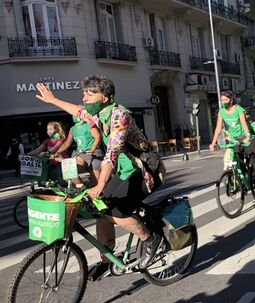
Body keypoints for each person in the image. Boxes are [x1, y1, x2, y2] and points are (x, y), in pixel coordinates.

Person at [35, 74, 163, 280]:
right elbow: (77, 111)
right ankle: (107, 259)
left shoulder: (119, 117)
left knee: (116, 212)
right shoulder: (98, 115)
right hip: (124, 172)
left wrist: (99, 184)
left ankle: (150, 238)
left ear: (104, 98)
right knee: (101, 210)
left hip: (145, 171)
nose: (84, 98)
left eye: (90, 94)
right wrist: (53, 100)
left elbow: (110, 156)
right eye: (84, 93)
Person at [209, 90, 255, 188]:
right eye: (222, 100)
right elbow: (218, 128)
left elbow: (244, 124)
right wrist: (213, 143)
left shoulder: (238, 109)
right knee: (236, 158)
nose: (223, 102)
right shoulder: (222, 112)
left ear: (231, 100)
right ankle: (241, 179)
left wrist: (247, 136)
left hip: (245, 136)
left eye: (225, 99)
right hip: (234, 138)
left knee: (253, 155)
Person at [53, 116, 104, 185]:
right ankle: (80, 188)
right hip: (81, 154)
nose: (75, 115)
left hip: (94, 153)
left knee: (96, 181)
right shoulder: (73, 129)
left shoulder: (90, 124)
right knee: (69, 168)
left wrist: (93, 148)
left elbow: (97, 136)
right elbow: (67, 143)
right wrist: (57, 152)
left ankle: (98, 192)